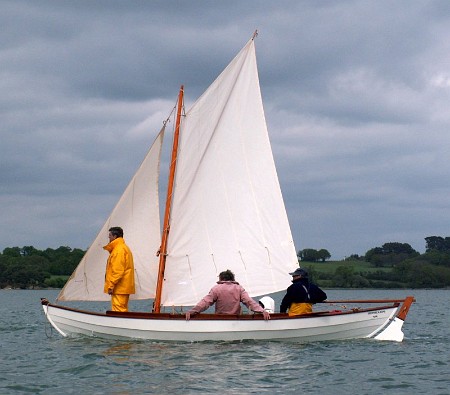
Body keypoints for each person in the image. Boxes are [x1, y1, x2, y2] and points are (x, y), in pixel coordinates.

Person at [185, 269, 270, 320]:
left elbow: (205, 303)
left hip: (220, 320)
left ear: (221, 279)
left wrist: (192, 311)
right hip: (235, 320)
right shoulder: (239, 288)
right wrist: (262, 311)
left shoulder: (216, 288)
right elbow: (249, 302)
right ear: (232, 278)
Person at [103, 226, 135, 312]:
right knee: (122, 310)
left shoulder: (118, 250)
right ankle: (124, 324)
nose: (109, 238)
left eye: (110, 236)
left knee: (118, 311)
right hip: (123, 287)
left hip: (120, 288)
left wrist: (111, 285)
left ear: (115, 236)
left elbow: (118, 271)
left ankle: (121, 324)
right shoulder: (123, 248)